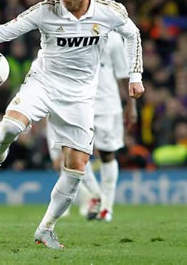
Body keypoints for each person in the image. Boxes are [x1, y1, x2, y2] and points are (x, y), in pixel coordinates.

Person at [0, 0, 144, 249]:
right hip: (44, 83)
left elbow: (133, 34)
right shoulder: (46, 9)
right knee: (10, 124)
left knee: (76, 169)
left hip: (80, 96)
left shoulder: (110, 11)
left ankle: (45, 229)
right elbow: (4, 31)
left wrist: (135, 76)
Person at [47, 31, 138, 222]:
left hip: (107, 104)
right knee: (72, 153)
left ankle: (106, 208)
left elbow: (123, 73)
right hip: (78, 102)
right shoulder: (69, 32)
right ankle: (96, 194)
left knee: (107, 153)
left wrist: (131, 105)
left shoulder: (113, 37)